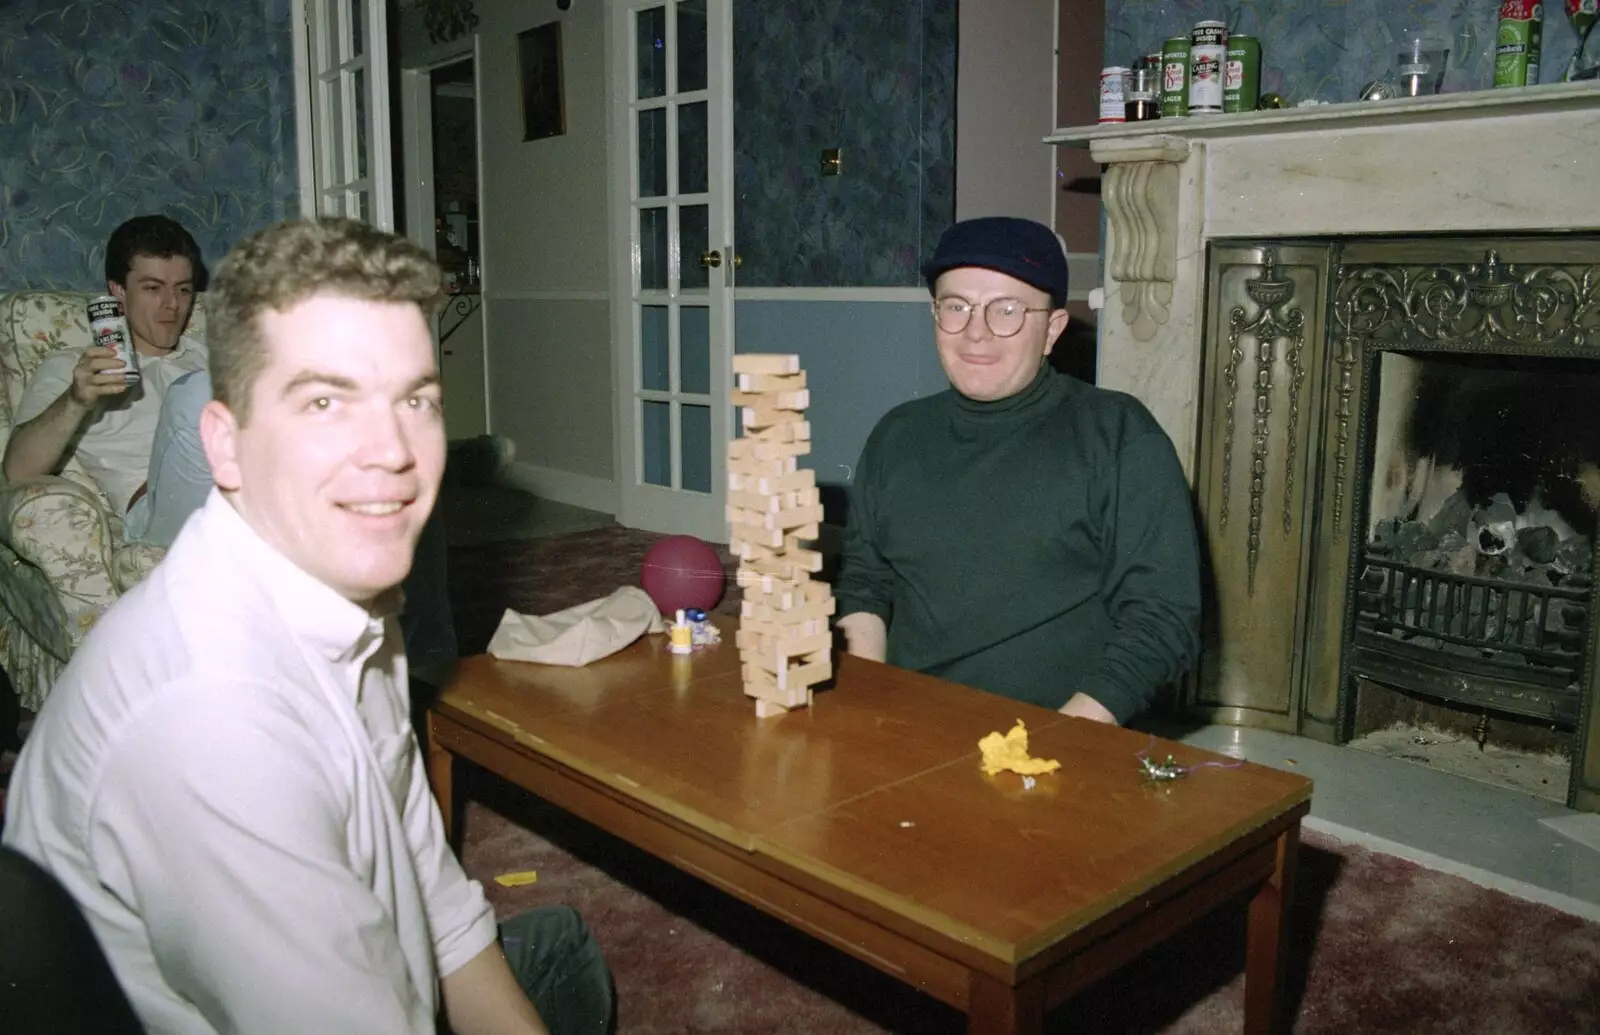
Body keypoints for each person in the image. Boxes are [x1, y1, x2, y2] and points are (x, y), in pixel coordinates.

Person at [2, 218, 613, 1035]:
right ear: (224, 445)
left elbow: (428, 883)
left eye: (417, 399)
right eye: (325, 400)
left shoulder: (353, 596)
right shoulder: (210, 723)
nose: (393, 451)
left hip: (375, 954)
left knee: (561, 950)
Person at [834, 216, 1202, 725]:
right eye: (956, 307)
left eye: (1006, 309)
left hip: (1058, 739)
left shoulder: (1118, 436)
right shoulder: (897, 434)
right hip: (907, 726)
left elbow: (1161, 621)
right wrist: (866, 706)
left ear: (1052, 330)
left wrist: (1058, 744)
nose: (977, 332)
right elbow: (866, 582)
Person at [3, 215, 213, 546]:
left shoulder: (211, 356)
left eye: (183, 289)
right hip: (157, 513)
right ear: (118, 292)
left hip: (246, 494)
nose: (172, 305)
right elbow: (17, 470)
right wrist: (76, 400)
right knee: (196, 393)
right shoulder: (76, 367)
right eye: (153, 288)